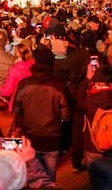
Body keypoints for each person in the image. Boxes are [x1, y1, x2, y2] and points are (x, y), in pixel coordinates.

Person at [12, 47, 70, 182]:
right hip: (52, 139)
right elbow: (66, 115)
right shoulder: (59, 86)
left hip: (30, 139)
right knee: (49, 178)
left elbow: (16, 112)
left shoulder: (24, 85)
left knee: (32, 178)